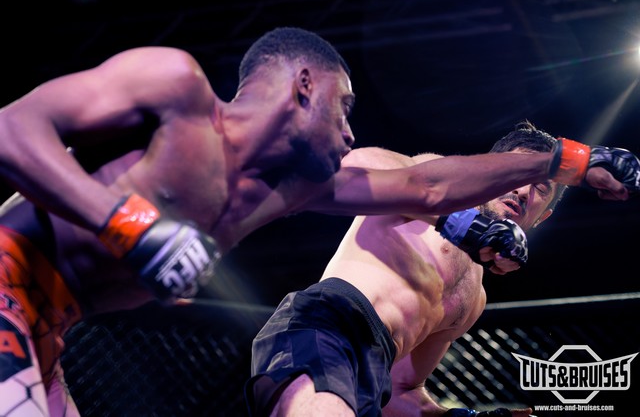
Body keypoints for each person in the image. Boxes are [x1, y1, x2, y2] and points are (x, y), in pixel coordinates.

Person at [0, 24, 636, 417]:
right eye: (345, 105)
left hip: (52, 332)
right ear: (305, 84)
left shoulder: (285, 191)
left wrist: (576, 161)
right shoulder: (177, 87)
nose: (351, 129)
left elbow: (426, 188)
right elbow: (12, 128)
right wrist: (130, 223)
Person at [245, 121, 627, 417]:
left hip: (370, 375)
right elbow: (353, 165)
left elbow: (401, 391)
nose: (525, 190)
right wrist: (461, 222)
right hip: (329, 323)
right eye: (517, 174)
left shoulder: (473, 298)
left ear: (541, 218)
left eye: (542, 189)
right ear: (491, 170)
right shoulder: (434, 182)